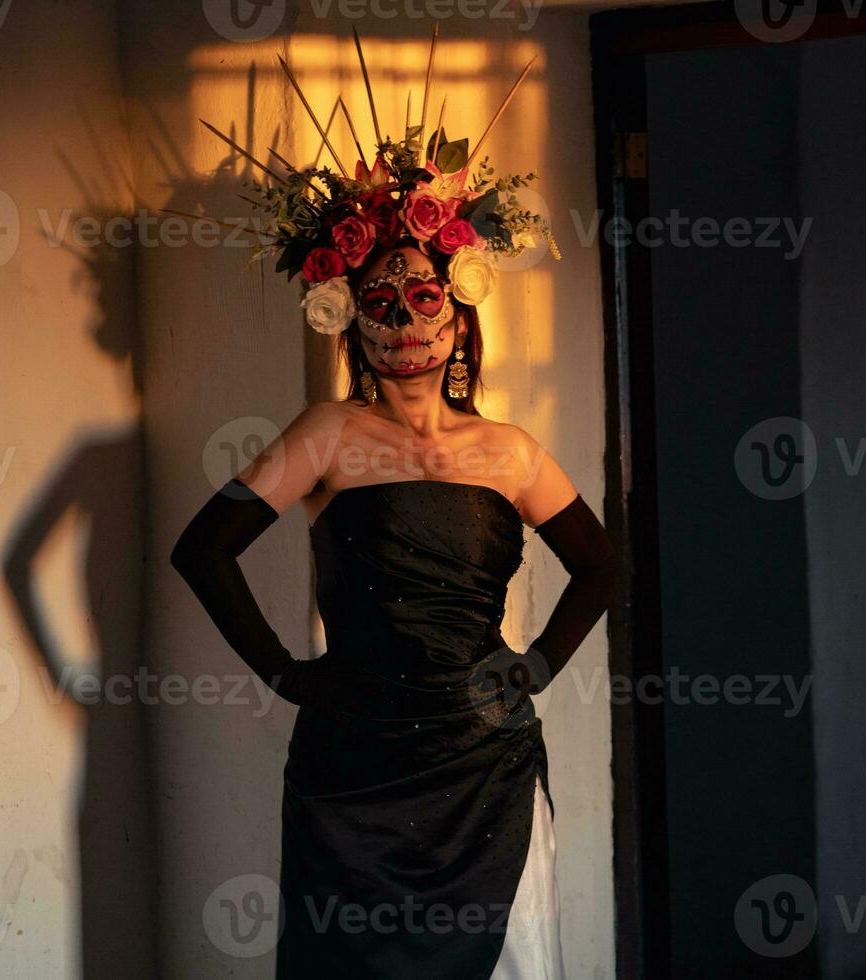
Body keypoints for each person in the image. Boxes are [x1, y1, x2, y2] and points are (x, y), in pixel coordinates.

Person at [170, 238, 618, 977]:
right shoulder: (326, 433)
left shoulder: (509, 451)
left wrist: (537, 664)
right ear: (350, 320)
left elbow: (601, 566)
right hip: (355, 759)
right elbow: (204, 550)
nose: (404, 320)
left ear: (459, 316)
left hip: (482, 756)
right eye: (379, 303)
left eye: (423, 298)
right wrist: (284, 673)